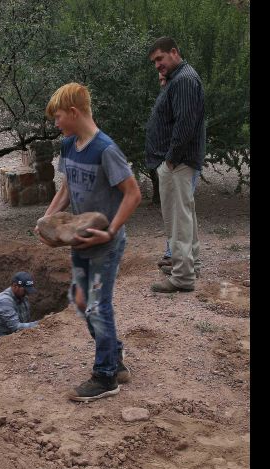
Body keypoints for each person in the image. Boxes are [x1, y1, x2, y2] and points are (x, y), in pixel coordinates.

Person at [35, 82, 141, 402]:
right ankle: (116, 359)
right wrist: (46, 221)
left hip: (105, 244)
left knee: (98, 305)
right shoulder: (69, 146)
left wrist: (110, 231)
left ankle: (106, 376)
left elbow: (133, 194)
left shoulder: (106, 149)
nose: (55, 124)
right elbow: (66, 189)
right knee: (83, 303)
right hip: (79, 242)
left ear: (73, 112)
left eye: (58, 117)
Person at [146, 37, 205, 292]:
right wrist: (165, 82)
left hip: (177, 163)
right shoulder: (178, 79)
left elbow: (184, 125)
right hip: (178, 162)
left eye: (160, 58)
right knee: (185, 215)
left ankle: (182, 277)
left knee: (178, 219)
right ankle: (188, 265)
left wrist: (170, 159)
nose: (157, 65)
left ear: (174, 52)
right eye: (154, 62)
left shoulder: (184, 81)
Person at [0, 271, 39, 338]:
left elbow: (25, 323)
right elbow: (16, 327)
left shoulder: (23, 297)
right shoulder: (4, 300)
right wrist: (40, 323)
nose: (27, 293)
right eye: (25, 290)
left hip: (16, 340)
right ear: (15, 286)